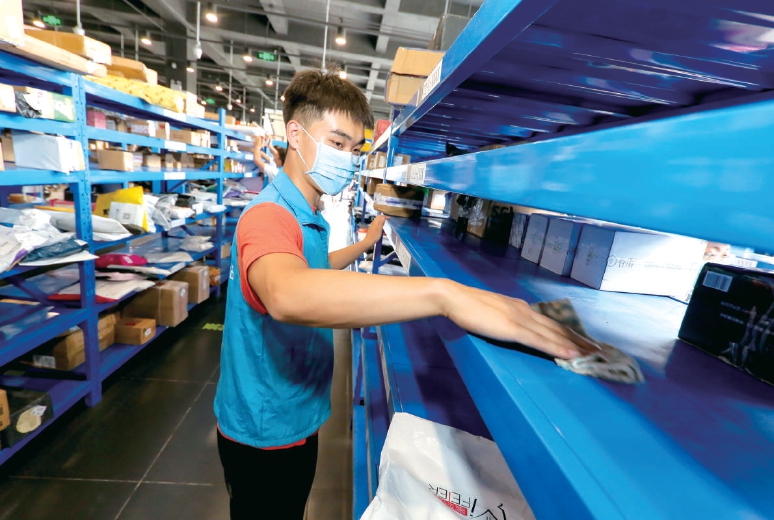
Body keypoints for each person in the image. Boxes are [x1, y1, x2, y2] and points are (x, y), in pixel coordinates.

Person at [214, 70, 594, 520]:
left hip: (295, 413)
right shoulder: (268, 216)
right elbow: (287, 292)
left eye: (354, 149)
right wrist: (444, 295)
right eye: (336, 143)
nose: (347, 159)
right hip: (265, 432)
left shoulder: (306, 214)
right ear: (295, 135)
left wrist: (366, 243)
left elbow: (314, 267)